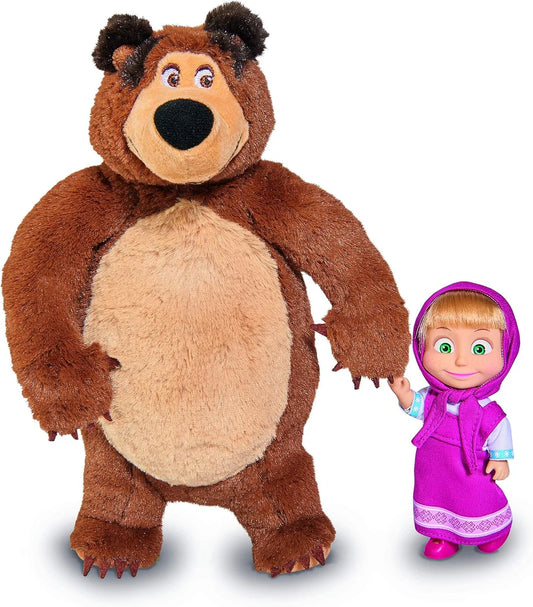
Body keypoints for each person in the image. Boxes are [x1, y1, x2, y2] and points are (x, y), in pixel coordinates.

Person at [389, 282, 519, 559]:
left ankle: (493, 528)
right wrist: (404, 395)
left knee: (477, 496)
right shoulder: (435, 398)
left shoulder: (487, 410)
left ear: (505, 351)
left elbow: (499, 431)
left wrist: (500, 459)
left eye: (480, 348)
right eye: (444, 346)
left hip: (471, 467)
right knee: (435, 495)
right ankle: (443, 534)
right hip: (433, 466)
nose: (460, 361)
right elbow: (417, 407)